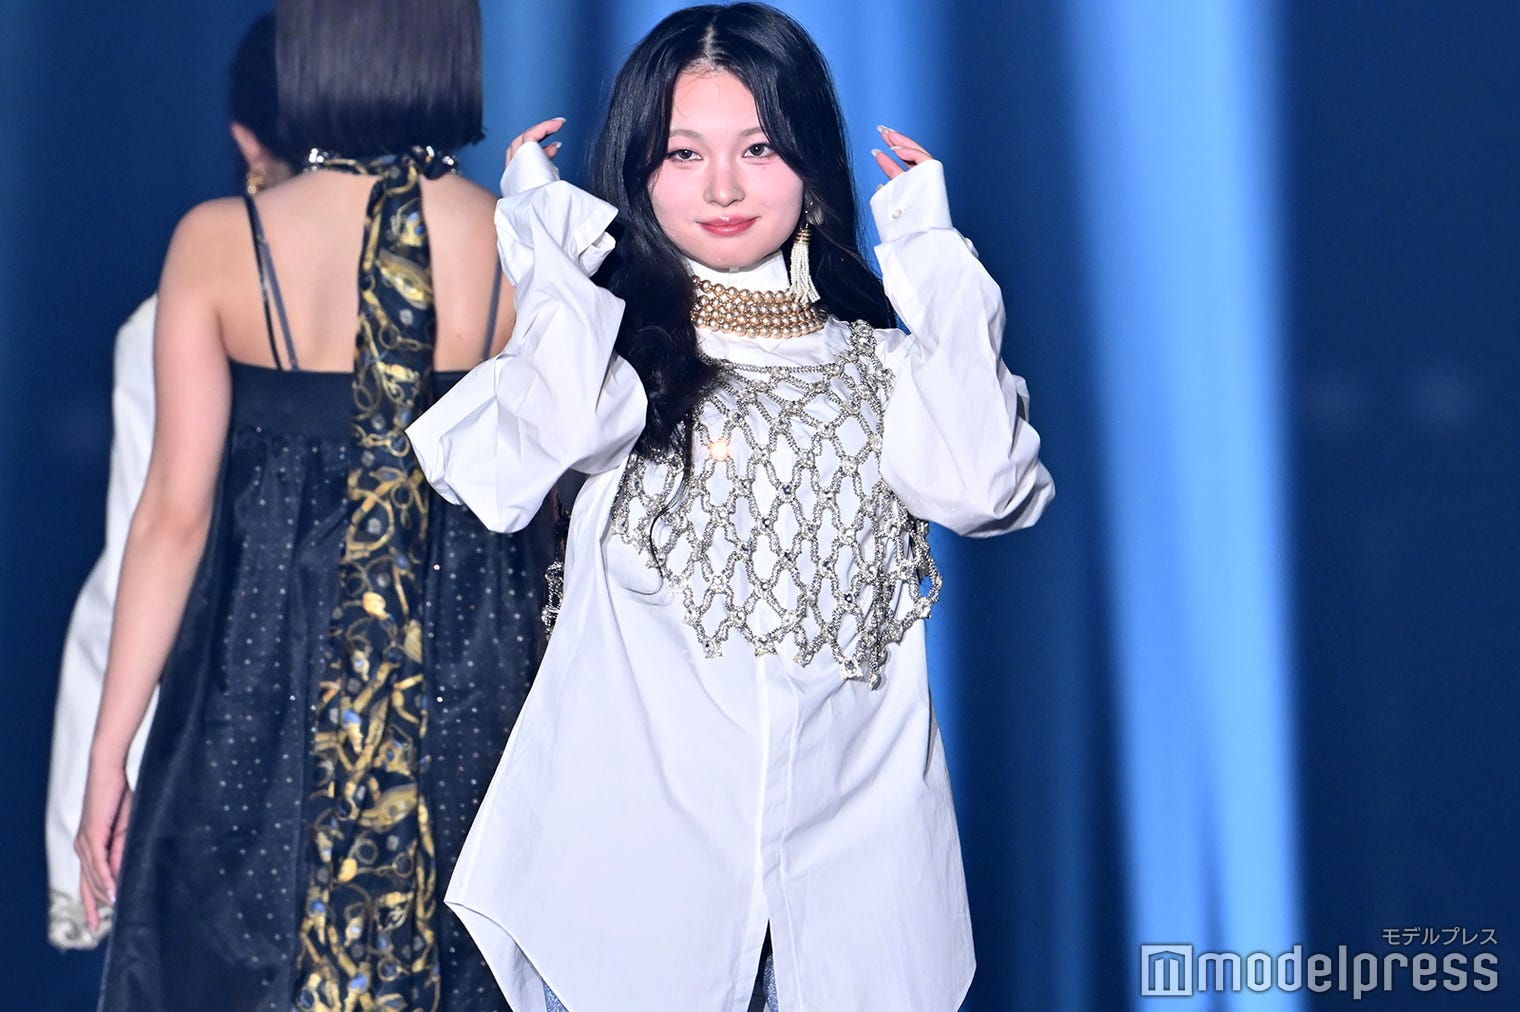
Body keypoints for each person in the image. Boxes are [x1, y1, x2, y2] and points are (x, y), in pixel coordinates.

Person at [406, 3, 1055, 1010]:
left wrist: (931, 251)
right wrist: (545, 242)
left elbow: (981, 486)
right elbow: (508, 470)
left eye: (759, 147)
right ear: (637, 169)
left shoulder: (889, 368)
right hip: (630, 898)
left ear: (811, 160)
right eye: (683, 152)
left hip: (855, 894)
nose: (721, 187)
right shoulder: (616, 362)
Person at [75, 1, 553, 1008]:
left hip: (261, 675)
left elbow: (172, 516)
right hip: (468, 674)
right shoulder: (520, 243)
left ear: (312, 54)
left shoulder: (220, 240)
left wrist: (107, 751)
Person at [45, 11, 298, 951]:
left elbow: (148, 543)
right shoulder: (476, 286)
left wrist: (102, 771)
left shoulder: (171, 317)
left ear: (247, 142)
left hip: (215, 742)